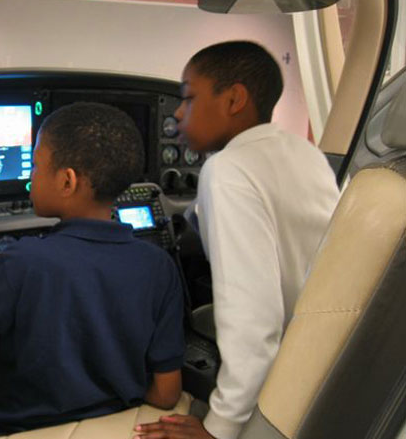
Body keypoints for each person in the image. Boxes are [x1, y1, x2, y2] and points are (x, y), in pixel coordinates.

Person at [0, 102, 186, 437]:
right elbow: (167, 393)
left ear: (67, 181)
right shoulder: (159, 266)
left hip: (20, 428)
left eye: (36, 165)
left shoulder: (23, 262)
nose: (30, 176)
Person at [134, 41, 340, 439]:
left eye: (189, 98)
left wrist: (219, 427)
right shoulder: (302, 151)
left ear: (234, 99)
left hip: (287, 375)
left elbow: (252, 316)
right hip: (325, 350)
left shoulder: (228, 170)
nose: (177, 113)